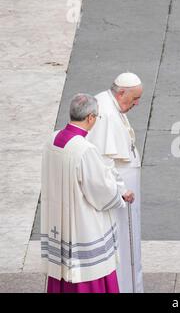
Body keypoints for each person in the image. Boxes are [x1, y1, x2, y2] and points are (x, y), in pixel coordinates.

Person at [41, 93, 134, 293]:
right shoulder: (84, 149)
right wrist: (119, 195)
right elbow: (101, 191)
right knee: (89, 273)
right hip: (82, 225)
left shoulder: (52, 139)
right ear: (91, 117)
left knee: (62, 269)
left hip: (58, 220)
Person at [86, 72, 144, 293]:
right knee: (122, 243)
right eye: (134, 98)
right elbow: (103, 162)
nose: (136, 103)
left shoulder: (110, 104)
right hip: (118, 194)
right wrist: (120, 189)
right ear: (121, 93)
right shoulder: (106, 114)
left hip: (123, 189)